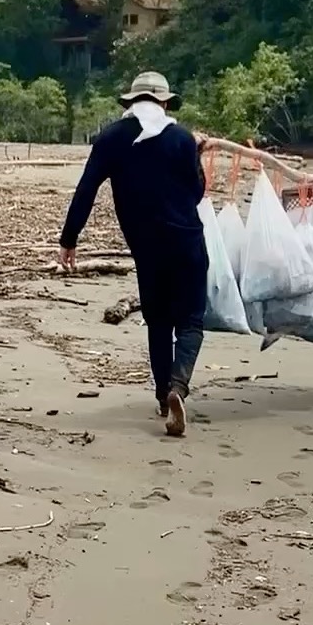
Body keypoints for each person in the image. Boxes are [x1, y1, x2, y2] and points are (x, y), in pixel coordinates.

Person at [58, 72, 208, 437]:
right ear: (165, 103)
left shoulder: (110, 138)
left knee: (157, 321)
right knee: (190, 321)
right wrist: (198, 155)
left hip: (145, 245)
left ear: (129, 103)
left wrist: (69, 237)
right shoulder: (181, 138)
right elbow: (197, 193)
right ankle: (178, 386)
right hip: (187, 241)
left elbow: (86, 188)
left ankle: (161, 396)